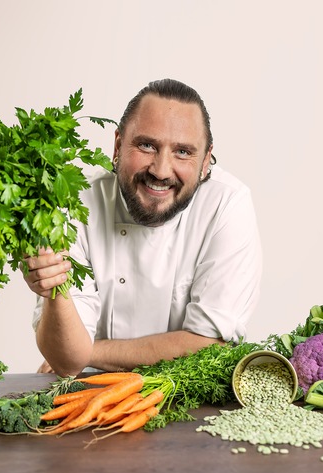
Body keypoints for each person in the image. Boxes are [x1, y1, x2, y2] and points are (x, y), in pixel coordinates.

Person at [22, 79, 263, 376]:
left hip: (185, 393)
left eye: (183, 152)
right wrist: (53, 283)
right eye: (147, 145)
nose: (160, 171)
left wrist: (89, 352)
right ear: (118, 146)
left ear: (204, 162)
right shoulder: (76, 201)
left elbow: (209, 344)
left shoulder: (226, 204)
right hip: (91, 392)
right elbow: (67, 359)